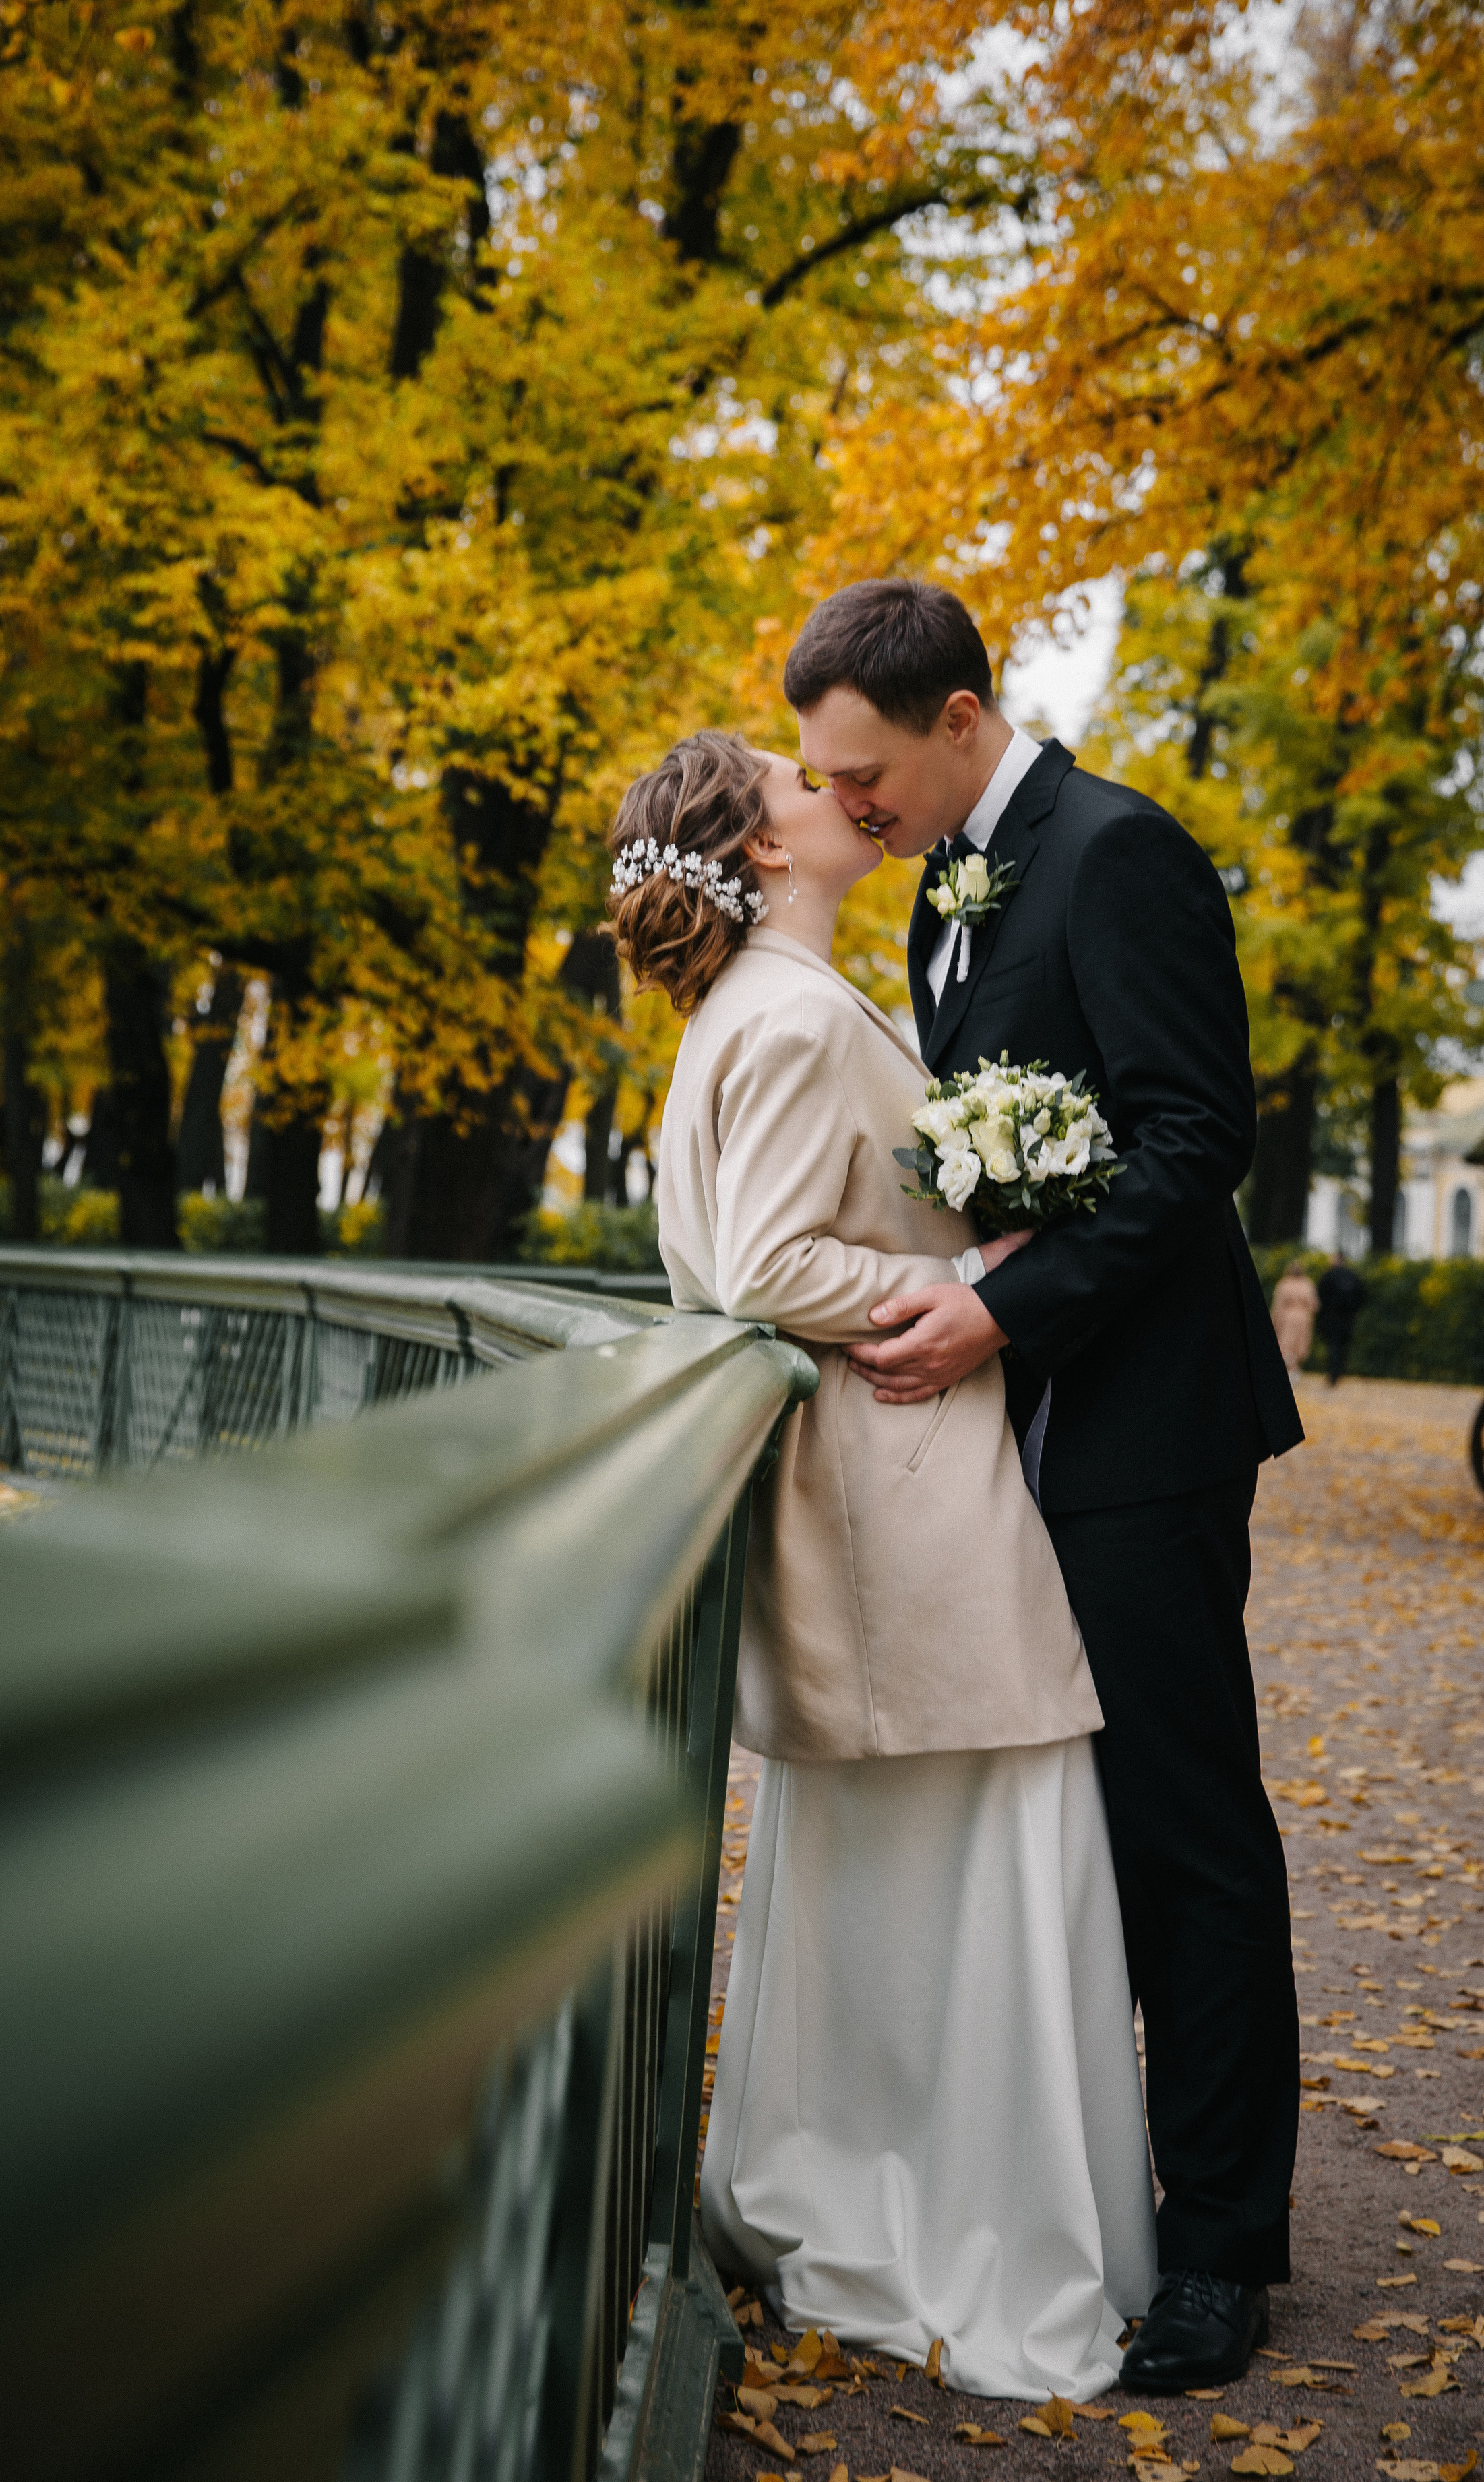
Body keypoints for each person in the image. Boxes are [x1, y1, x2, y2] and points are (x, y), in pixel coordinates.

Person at [784, 577, 1305, 2392]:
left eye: (863, 773)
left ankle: (1224, 2246)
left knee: (1184, 1829)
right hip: (1039, 1432)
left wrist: (1002, 1309)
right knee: (1074, 1838)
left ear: (957, 720)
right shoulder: (946, 877)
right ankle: (1097, 2195)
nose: (846, 806)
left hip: (1149, 1429)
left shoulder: (1116, 849)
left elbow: (1192, 1136)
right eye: (825, 780)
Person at [611, 728, 1158, 2399]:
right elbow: (768, 1262)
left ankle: (879, 2190)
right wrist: (969, 1286)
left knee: (934, 1872)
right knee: (997, 1838)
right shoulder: (782, 1018)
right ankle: (963, 2221)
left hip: (886, 1484)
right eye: (797, 781)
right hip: (899, 1488)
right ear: (762, 851)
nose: (836, 788)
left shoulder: (763, 1007)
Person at [1315, 1258, 1366, 1386]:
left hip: (1331, 1316)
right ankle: (1340, 1372)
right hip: (1348, 1317)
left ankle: (1333, 1373)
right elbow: (1361, 1294)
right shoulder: (1352, 1276)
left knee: (1333, 1345)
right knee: (1343, 1346)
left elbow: (1320, 1296)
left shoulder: (1328, 1276)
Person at [1270, 1261, 1320, 1380]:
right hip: (1303, 1316)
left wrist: (1274, 1320)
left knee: (1286, 1344)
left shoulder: (1284, 1284)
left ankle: (1292, 1370)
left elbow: (1278, 1305)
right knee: (1299, 1344)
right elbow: (1314, 1305)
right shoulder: (1307, 1284)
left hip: (1288, 1316)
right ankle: (1294, 1369)